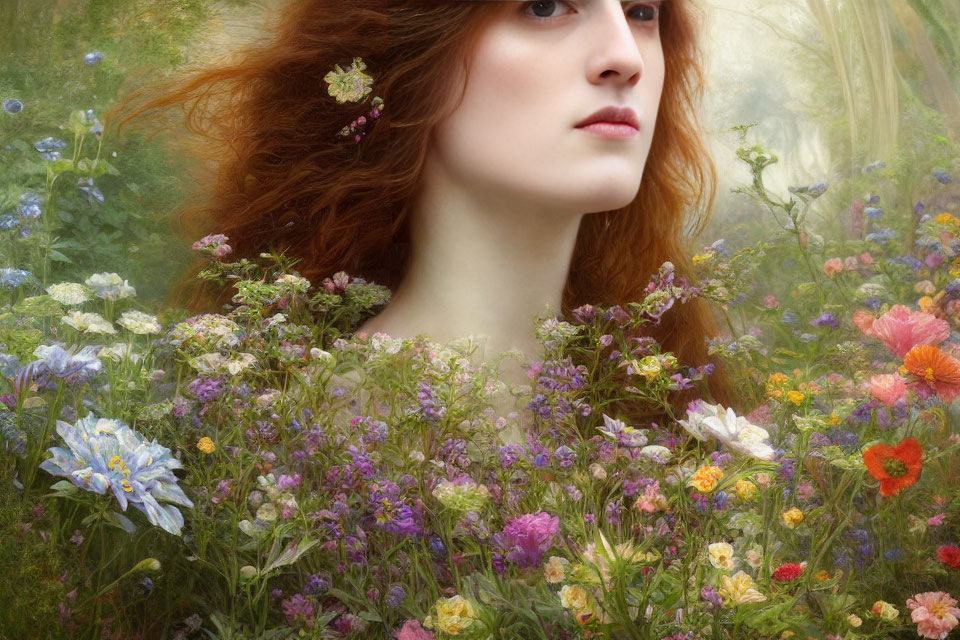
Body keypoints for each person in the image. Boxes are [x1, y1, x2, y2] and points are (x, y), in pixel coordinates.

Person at [109, 0, 737, 438]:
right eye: (544, 5)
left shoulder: (660, 408)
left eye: (642, 11)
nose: (624, 57)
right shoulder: (325, 425)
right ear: (411, 52)